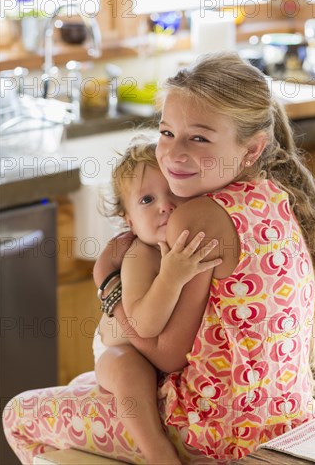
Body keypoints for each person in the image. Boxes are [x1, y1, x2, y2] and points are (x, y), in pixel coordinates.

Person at [3, 52, 315, 463]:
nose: (172, 153)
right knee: (94, 377)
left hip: (209, 431)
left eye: (199, 138)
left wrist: (109, 287)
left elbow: (168, 354)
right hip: (275, 416)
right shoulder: (275, 195)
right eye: (167, 132)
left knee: (18, 413)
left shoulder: (198, 215)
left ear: (252, 148)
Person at [93, 140, 221, 464]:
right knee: (129, 371)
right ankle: (158, 452)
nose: (165, 206)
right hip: (122, 348)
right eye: (147, 200)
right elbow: (144, 326)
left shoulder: (186, 244)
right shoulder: (141, 255)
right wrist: (171, 277)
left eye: (174, 193)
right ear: (129, 221)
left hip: (162, 355)